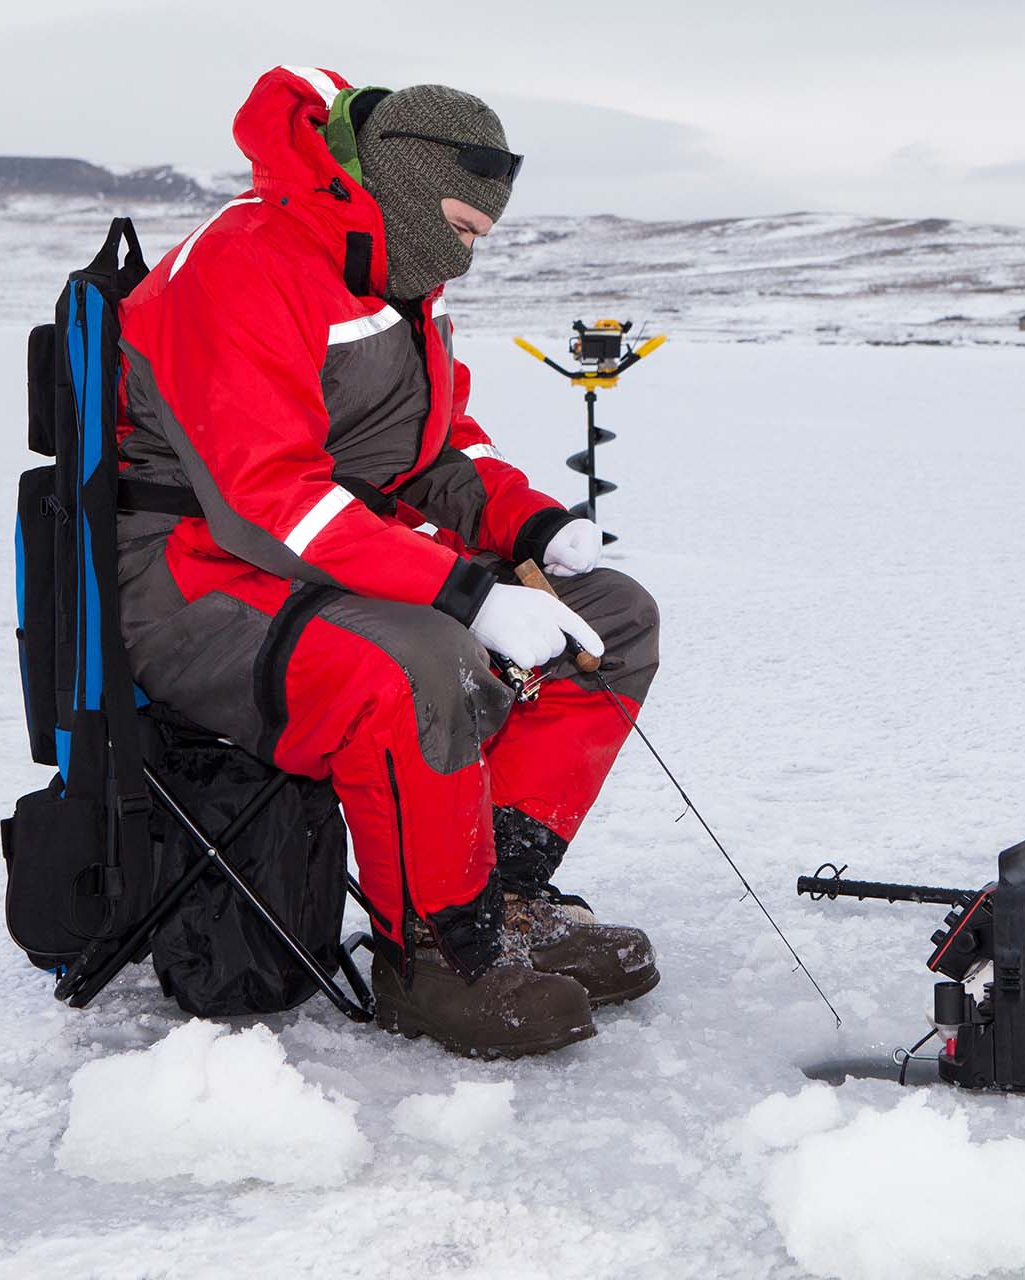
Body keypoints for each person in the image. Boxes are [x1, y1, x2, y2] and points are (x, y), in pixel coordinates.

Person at [111, 65, 659, 1058]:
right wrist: (464, 591)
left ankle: (501, 896)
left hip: (324, 564)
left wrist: (530, 529)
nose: (466, 253)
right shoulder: (246, 264)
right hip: (199, 585)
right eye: (461, 224)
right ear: (403, 190)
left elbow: (434, 452)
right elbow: (262, 502)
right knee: (422, 660)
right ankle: (437, 955)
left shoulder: (398, 282)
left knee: (611, 616)